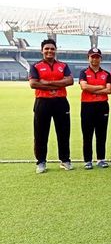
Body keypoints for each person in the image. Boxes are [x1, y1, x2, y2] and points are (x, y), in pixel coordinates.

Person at [29, 39, 74, 173]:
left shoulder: (63, 65)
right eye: (47, 49)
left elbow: (70, 81)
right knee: (40, 133)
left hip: (61, 101)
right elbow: (33, 84)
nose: (49, 51)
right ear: (42, 50)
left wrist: (46, 83)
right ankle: (41, 162)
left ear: (55, 50)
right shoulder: (36, 66)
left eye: (52, 49)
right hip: (42, 102)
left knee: (64, 132)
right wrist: (59, 83)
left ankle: (65, 160)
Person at [79, 48, 111, 169]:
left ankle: (101, 159)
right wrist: (100, 87)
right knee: (87, 133)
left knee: (101, 133)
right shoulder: (84, 72)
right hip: (87, 105)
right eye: (92, 57)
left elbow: (108, 90)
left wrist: (91, 87)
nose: (95, 59)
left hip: (102, 105)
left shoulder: (106, 74)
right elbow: (84, 87)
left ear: (100, 59)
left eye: (97, 57)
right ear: (88, 58)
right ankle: (88, 160)